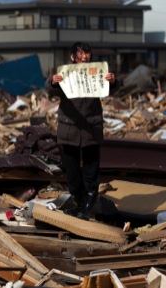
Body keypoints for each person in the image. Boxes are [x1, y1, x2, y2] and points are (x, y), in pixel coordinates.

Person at [46, 42, 120, 220]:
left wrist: (113, 81)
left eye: (87, 54)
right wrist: (53, 82)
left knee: (90, 170)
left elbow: (111, 89)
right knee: (71, 170)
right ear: (72, 57)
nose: (84, 57)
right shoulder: (66, 74)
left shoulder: (97, 73)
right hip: (68, 128)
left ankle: (88, 205)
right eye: (80, 54)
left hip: (91, 129)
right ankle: (78, 201)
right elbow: (50, 89)